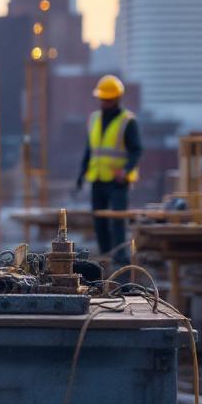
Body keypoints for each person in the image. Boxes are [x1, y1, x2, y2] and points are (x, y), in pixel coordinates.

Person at [76, 75, 141, 266]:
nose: (104, 101)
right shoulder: (94, 119)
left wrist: (126, 171)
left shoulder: (128, 121)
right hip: (97, 179)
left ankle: (120, 258)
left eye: (108, 98)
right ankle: (105, 256)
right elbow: (90, 149)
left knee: (118, 221)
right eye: (102, 98)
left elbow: (136, 150)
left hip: (118, 182)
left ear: (117, 98)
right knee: (99, 222)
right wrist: (81, 174)